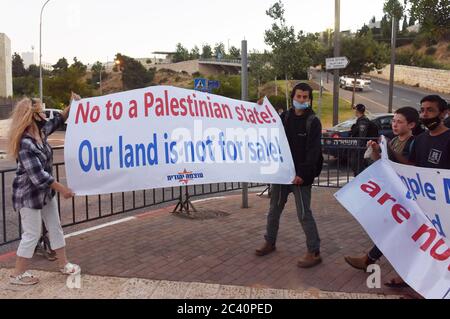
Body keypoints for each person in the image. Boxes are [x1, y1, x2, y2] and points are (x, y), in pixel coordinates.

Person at [7, 94, 81, 285]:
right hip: (28, 195)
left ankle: (63, 264)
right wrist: (62, 189)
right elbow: (39, 176)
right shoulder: (25, 143)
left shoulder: (40, 133)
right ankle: (17, 275)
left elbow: (58, 119)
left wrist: (72, 106)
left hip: (45, 193)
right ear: (32, 116)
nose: (45, 115)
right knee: (32, 233)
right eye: (41, 112)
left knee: (55, 226)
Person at [344, 107, 420, 279]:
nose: (394, 124)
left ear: (411, 125)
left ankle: (371, 260)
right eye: (394, 121)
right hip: (393, 193)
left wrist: (387, 150)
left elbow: (408, 165)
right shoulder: (393, 141)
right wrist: (377, 150)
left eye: (399, 122)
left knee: (397, 231)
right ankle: (372, 260)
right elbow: (383, 162)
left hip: (406, 195)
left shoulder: (413, 142)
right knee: (393, 230)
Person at [255, 82, 323, 268]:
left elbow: (313, 152)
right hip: (282, 175)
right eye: (298, 96)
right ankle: (270, 242)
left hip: (301, 177)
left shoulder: (313, 122)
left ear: (309, 99)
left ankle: (314, 251)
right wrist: (261, 107)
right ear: (293, 97)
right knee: (274, 209)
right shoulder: (284, 117)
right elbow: (267, 124)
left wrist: (302, 174)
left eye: (305, 97)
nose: (301, 100)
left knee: (303, 214)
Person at [350, 104, 379, 176]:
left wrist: (360, 149)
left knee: (358, 168)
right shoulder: (362, 120)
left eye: (355, 110)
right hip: (360, 148)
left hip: (361, 149)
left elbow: (362, 136)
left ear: (357, 111)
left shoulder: (363, 121)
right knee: (357, 167)